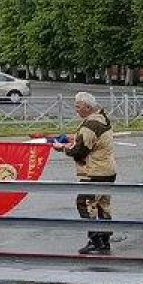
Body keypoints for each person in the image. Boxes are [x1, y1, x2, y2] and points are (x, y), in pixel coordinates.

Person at [53, 92, 117, 255]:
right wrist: (74, 139)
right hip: (107, 170)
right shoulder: (102, 119)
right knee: (103, 205)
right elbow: (92, 140)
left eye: (78, 106)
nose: (76, 109)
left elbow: (80, 151)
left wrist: (62, 148)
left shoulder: (90, 124)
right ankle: (105, 240)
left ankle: (95, 241)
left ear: (88, 107)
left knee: (84, 203)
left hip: (94, 171)